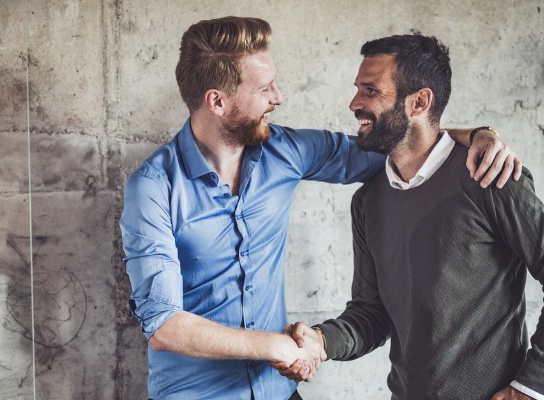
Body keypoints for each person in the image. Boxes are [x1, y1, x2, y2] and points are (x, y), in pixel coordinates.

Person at [120, 17, 522, 400]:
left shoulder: (285, 150)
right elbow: (164, 326)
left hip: (279, 390)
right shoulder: (152, 189)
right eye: (265, 89)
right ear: (217, 101)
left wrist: (478, 134)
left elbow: (398, 145)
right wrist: (278, 346)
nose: (278, 97)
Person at [274, 35, 544, 400]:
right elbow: (371, 314)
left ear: (419, 102)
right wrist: (320, 341)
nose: (354, 104)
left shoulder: (490, 178)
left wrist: (530, 386)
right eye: (357, 90)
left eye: (370, 91)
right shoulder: (368, 200)